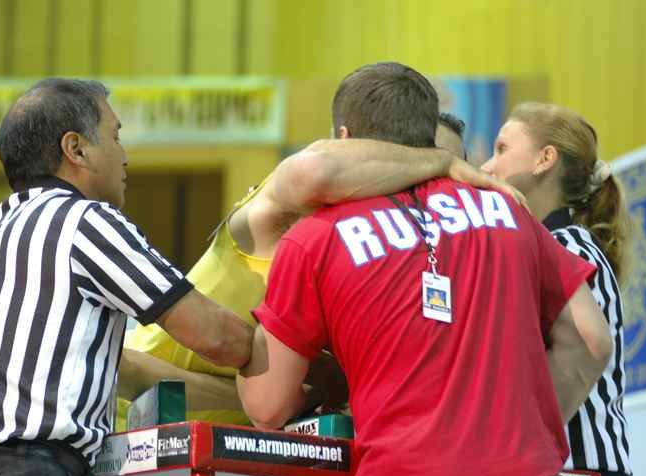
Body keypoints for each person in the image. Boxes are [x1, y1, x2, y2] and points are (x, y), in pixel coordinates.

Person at [237, 62, 613, 476]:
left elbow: (267, 405)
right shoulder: (509, 210)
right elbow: (591, 340)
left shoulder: (313, 238)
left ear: (343, 136)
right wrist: (522, 441)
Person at [0, 78, 254, 476]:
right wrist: (308, 371)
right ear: (76, 149)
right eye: (116, 135)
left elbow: (124, 368)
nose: (125, 154)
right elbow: (217, 338)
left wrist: (238, 402)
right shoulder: (85, 222)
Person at [117, 96, 519, 427]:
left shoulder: (411, 265)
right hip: (133, 445)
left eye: (450, 175)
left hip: (245, 470)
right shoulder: (287, 215)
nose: (429, 188)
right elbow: (133, 368)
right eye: (415, 163)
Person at [481, 101, 641, 476]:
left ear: (544, 159)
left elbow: (588, 344)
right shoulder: (557, 242)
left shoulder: (565, 246)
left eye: (501, 148)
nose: (486, 165)